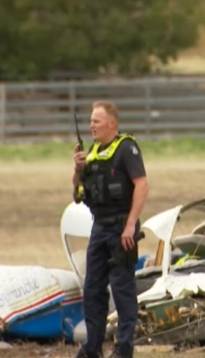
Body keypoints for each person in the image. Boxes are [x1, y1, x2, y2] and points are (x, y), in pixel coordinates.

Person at [72, 101, 149, 358]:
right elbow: (78, 192)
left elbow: (142, 185)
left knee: (122, 288)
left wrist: (130, 225)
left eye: (97, 121)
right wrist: (77, 170)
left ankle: (124, 349)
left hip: (120, 229)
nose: (91, 125)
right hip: (99, 229)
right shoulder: (93, 152)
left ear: (112, 124)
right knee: (92, 289)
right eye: (91, 120)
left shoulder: (126, 148)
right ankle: (92, 348)